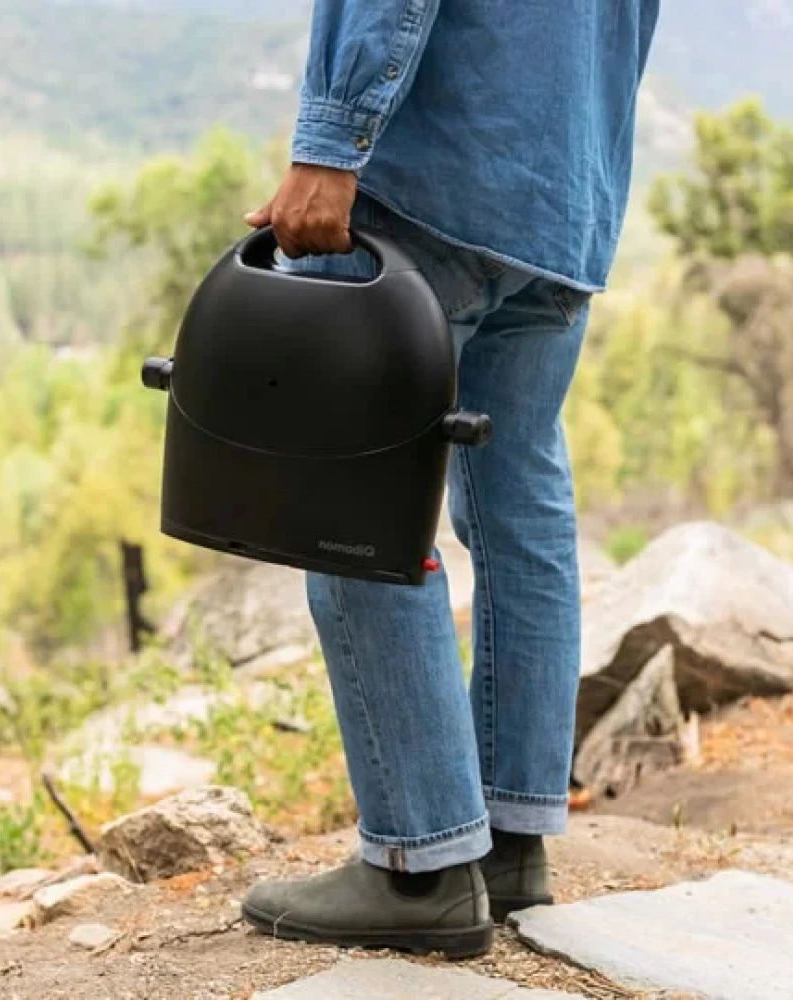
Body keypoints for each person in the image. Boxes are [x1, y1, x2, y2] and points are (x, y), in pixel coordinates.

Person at [242, 0, 661, 958]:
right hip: (567, 195)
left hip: (434, 177)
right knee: (521, 504)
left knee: (353, 494)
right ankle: (509, 844)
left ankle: (420, 867)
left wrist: (332, 141)